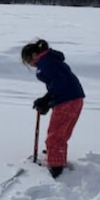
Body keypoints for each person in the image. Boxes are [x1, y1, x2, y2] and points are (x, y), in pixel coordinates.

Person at [21, 39, 84, 178]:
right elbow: (61, 83)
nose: (30, 65)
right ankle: (56, 156)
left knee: (55, 136)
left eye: (27, 60)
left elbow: (59, 82)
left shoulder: (46, 63)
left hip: (67, 100)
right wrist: (49, 101)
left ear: (33, 55)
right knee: (60, 134)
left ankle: (55, 167)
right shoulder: (49, 60)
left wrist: (47, 98)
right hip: (74, 99)